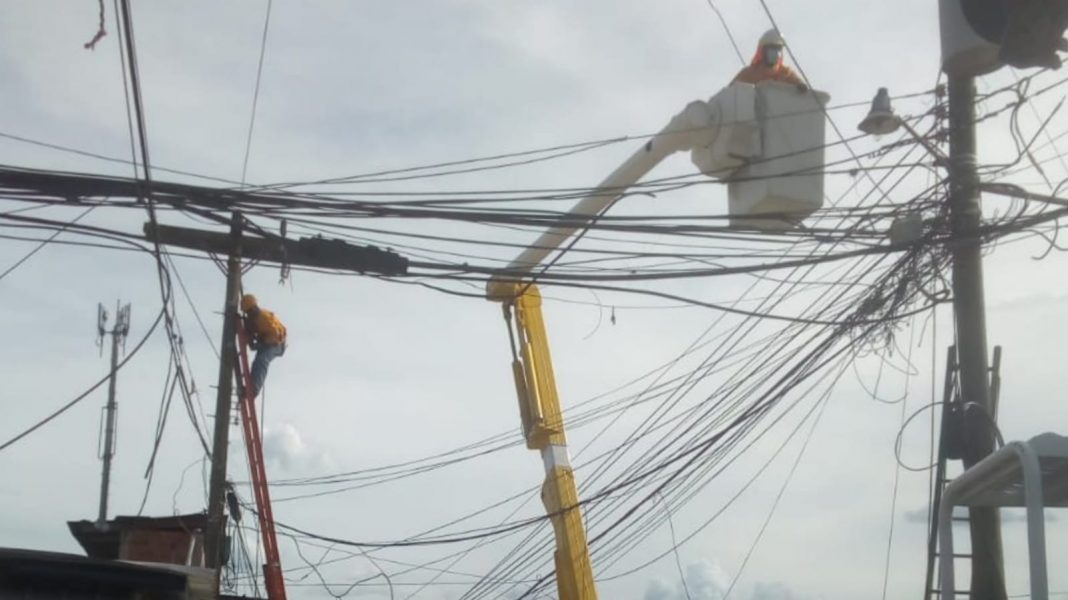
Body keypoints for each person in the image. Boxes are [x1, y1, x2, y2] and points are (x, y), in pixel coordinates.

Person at [240, 293, 287, 398]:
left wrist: (257, 343)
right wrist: (250, 334)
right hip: (267, 342)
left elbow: (276, 336)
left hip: (277, 343)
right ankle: (250, 386)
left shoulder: (264, 318)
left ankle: (254, 390)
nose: (249, 314)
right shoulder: (253, 320)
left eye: (250, 311)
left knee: (262, 361)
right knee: (256, 363)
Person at [731, 29, 808, 91]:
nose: (777, 53)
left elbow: (800, 85)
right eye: (772, 49)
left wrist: (801, 86)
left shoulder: (786, 73)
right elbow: (729, 93)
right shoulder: (748, 73)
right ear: (762, 52)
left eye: (778, 49)